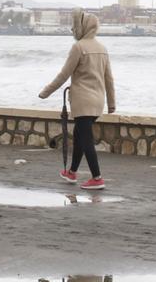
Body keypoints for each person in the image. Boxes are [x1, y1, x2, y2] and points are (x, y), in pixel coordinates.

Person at [39, 10, 117, 189]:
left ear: (82, 26)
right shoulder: (102, 48)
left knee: (86, 139)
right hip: (98, 102)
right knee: (80, 137)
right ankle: (72, 172)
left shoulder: (79, 47)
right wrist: (112, 103)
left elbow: (64, 74)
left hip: (82, 101)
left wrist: (45, 92)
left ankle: (97, 178)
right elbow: (109, 79)